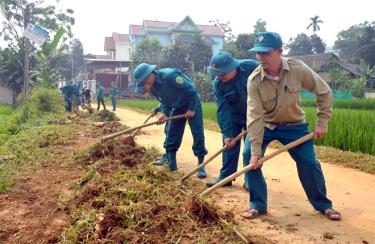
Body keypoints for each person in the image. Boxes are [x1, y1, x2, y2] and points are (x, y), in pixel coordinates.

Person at [244, 31, 341, 221]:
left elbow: (324, 91)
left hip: (294, 125)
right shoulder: (254, 80)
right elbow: (254, 116)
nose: (260, 58)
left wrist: (322, 122)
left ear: (279, 51)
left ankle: (323, 205)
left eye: (265, 53)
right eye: (258, 53)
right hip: (266, 125)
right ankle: (257, 205)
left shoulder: (298, 69)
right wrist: (256, 151)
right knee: (249, 156)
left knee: (309, 163)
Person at [133, 63, 208, 178]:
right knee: (172, 131)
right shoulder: (153, 88)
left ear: (150, 75)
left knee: (197, 132)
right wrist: (165, 114)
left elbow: (191, 90)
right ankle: (171, 163)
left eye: (144, 81)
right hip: (177, 105)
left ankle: (201, 165)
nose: (145, 85)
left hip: (191, 101)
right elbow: (165, 101)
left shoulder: (170, 76)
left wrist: (192, 109)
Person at [206, 51, 259, 188]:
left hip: (254, 117)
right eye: (217, 74)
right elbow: (223, 109)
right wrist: (227, 134)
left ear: (232, 67)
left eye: (223, 73)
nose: (220, 76)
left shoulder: (251, 67)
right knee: (229, 145)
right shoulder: (218, 84)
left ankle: (250, 181)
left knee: (250, 149)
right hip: (234, 116)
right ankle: (226, 177)